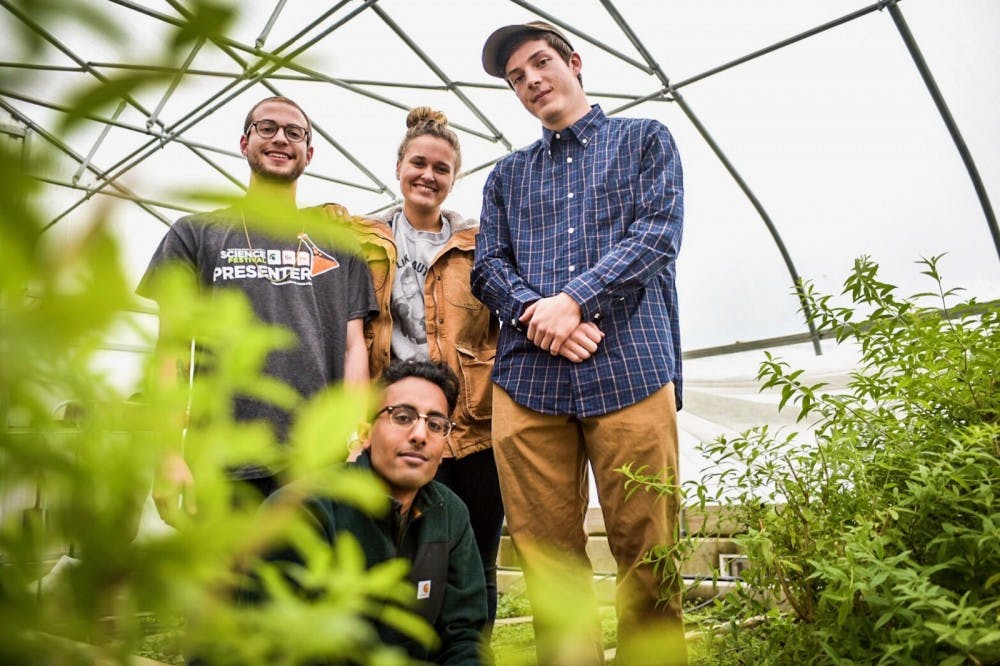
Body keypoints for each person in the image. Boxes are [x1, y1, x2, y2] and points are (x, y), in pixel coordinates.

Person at [474, 22, 686, 665]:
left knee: (649, 552)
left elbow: (656, 234)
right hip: (529, 387)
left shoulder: (646, 139)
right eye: (516, 78)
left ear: (574, 62)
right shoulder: (507, 177)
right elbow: (488, 268)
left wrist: (573, 302)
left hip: (631, 371)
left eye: (540, 63)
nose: (531, 80)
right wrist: (540, 314)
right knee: (548, 561)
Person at [137, 95, 377, 523]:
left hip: (315, 463)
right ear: (245, 142)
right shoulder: (195, 235)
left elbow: (353, 347)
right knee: (221, 588)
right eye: (267, 128)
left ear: (310, 152)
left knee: (306, 587)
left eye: (294, 132)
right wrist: (168, 452)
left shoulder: (340, 246)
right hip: (220, 461)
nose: (281, 138)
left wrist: (358, 432)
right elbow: (171, 352)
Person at [346, 108, 502, 625]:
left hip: (469, 428)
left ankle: (470, 652)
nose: (427, 176)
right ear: (398, 167)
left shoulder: (479, 249)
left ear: (453, 180)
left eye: (441, 169)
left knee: (475, 561)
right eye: (418, 163)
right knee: (395, 556)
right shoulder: (365, 244)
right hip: (393, 425)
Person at [247, 359, 490, 665]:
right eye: (403, 417)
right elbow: (272, 642)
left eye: (436, 424)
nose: (420, 434)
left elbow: (464, 639)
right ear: (365, 434)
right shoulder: (303, 509)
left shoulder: (450, 515)